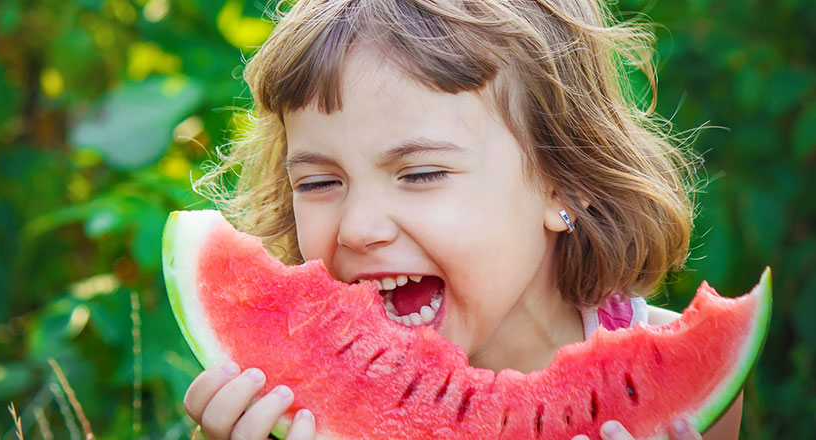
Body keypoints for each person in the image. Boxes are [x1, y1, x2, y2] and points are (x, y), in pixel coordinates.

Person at [183, 0, 743, 438]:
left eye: (421, 174)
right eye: (319, 182)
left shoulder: (682, 388)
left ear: (563, 183)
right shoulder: (281, 403)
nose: (358, 227)